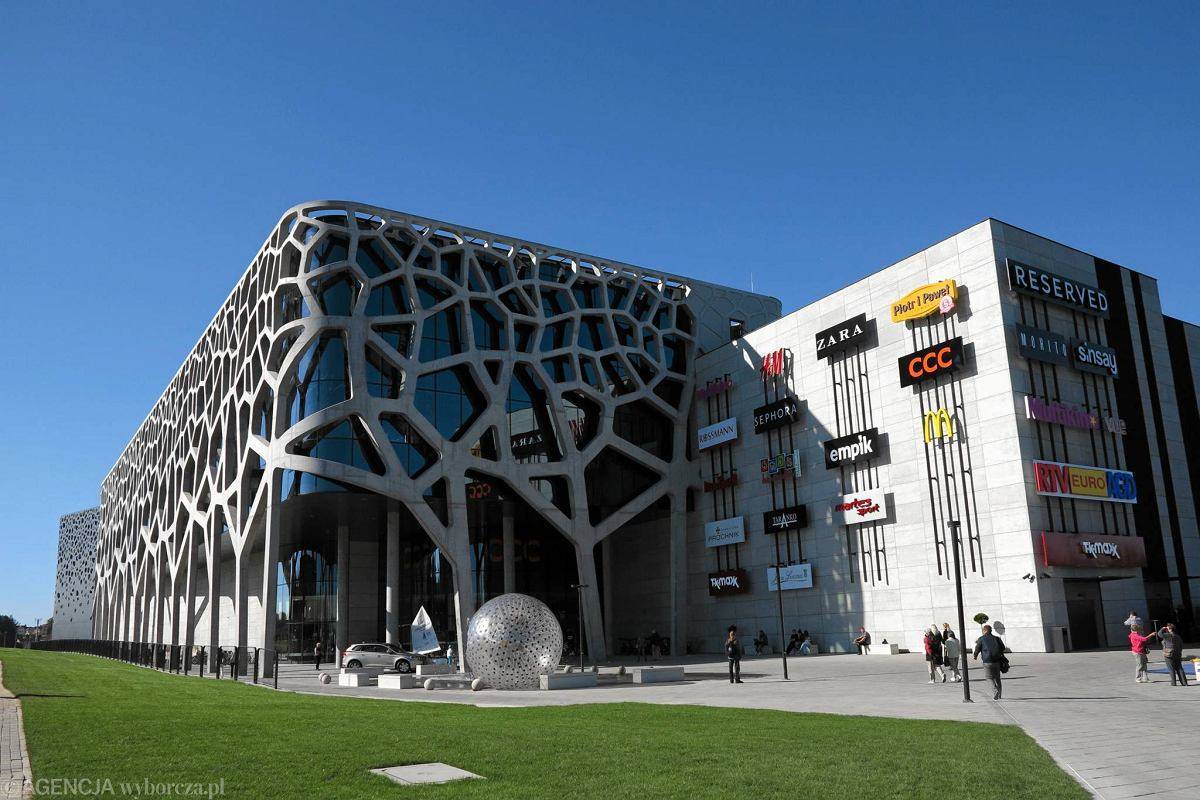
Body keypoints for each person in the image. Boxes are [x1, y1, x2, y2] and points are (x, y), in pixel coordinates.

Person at [972, 624, 1007, 700]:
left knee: (989, 677)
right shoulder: (997, 638)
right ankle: (999, 695)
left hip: (987, 661)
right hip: (996, 661)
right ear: (991, 631)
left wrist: (975, 656)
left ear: (984, 631)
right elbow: (1003, 648)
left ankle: (995, 691)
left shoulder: (981, 639)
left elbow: (977, 648)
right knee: (997, 678)